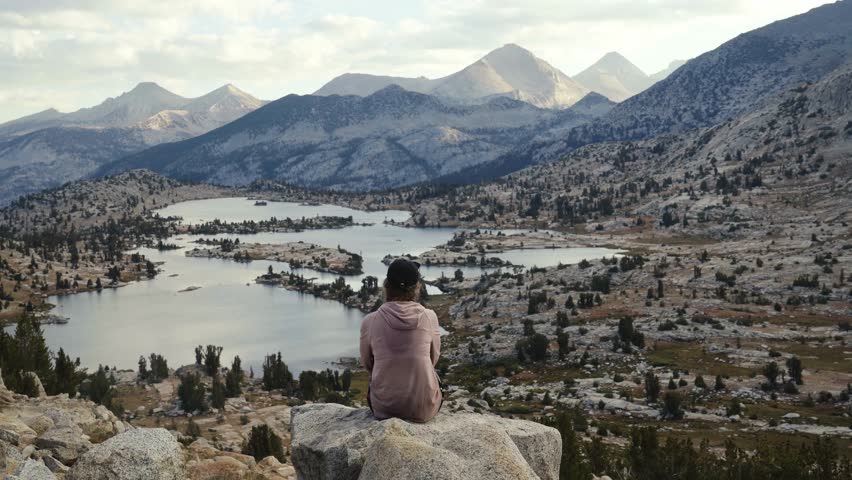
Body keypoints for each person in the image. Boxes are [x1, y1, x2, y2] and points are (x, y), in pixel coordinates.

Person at [359, 258, 442, 423]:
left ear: (387, 286)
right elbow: (433, 359)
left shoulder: (370, 321)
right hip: (423, 408)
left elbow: (368, 363)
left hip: (384, 408)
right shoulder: (429, 317)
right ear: (416, 288)